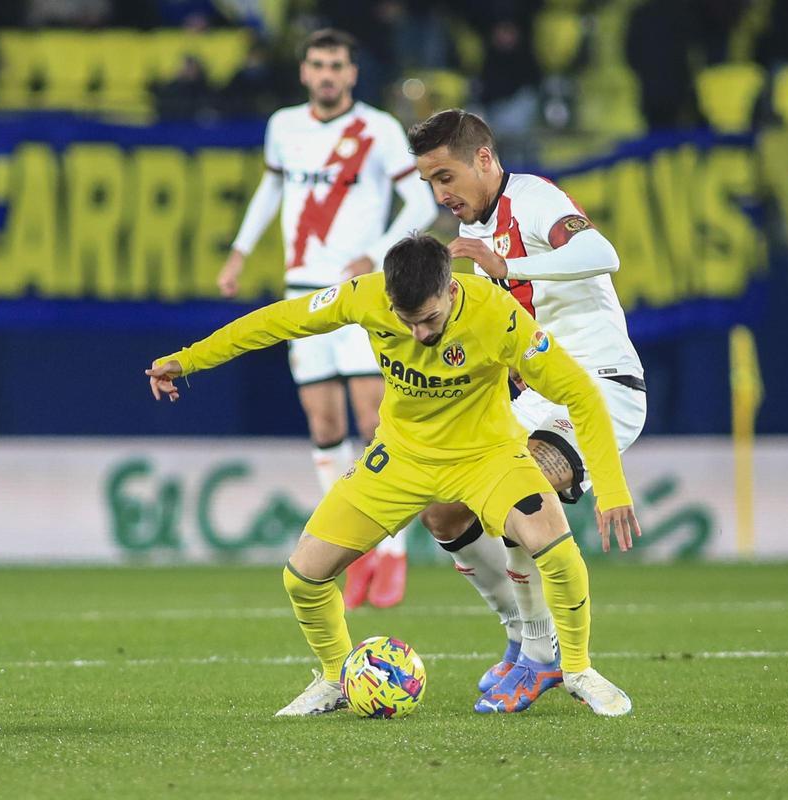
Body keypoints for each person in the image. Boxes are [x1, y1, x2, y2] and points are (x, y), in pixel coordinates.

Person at [146, 234, 642, 717]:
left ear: (451, 289)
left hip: (486, 456)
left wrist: (612, 489)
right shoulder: (366, 295)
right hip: (400, 458)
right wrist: (187, 360)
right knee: (303, 577)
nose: (421, 334)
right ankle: (336, 678)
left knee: (554, 544)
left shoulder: (498, 314)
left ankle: (577, 670)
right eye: (408, 323)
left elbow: (579, 391)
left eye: (429, 319)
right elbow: (278, 321)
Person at [408, 109, 647, 713]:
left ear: (484, 159)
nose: (442, 194)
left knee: (521, 487)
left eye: (447, 176)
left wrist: (509, 265)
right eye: (430, 183)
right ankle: (520, 635)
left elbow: (603, 253)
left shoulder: (534, 199)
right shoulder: (472, 236)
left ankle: (545, 655)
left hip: (600, 386)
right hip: (535, 399)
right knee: (442, 509)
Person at [215, 28, 438, 609]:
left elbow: (420, 201)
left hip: (362, 295)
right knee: (322, 422)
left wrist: (384, 251)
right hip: (301, 293)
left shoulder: (379, 130)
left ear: (353, 73)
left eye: (337, 64)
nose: (328, 74)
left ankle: (392, 551)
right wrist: (240, 251)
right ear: (304, 72)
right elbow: (271, 187)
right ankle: (353, 545)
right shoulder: (284, 126)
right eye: (318, 64)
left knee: (374, 418)